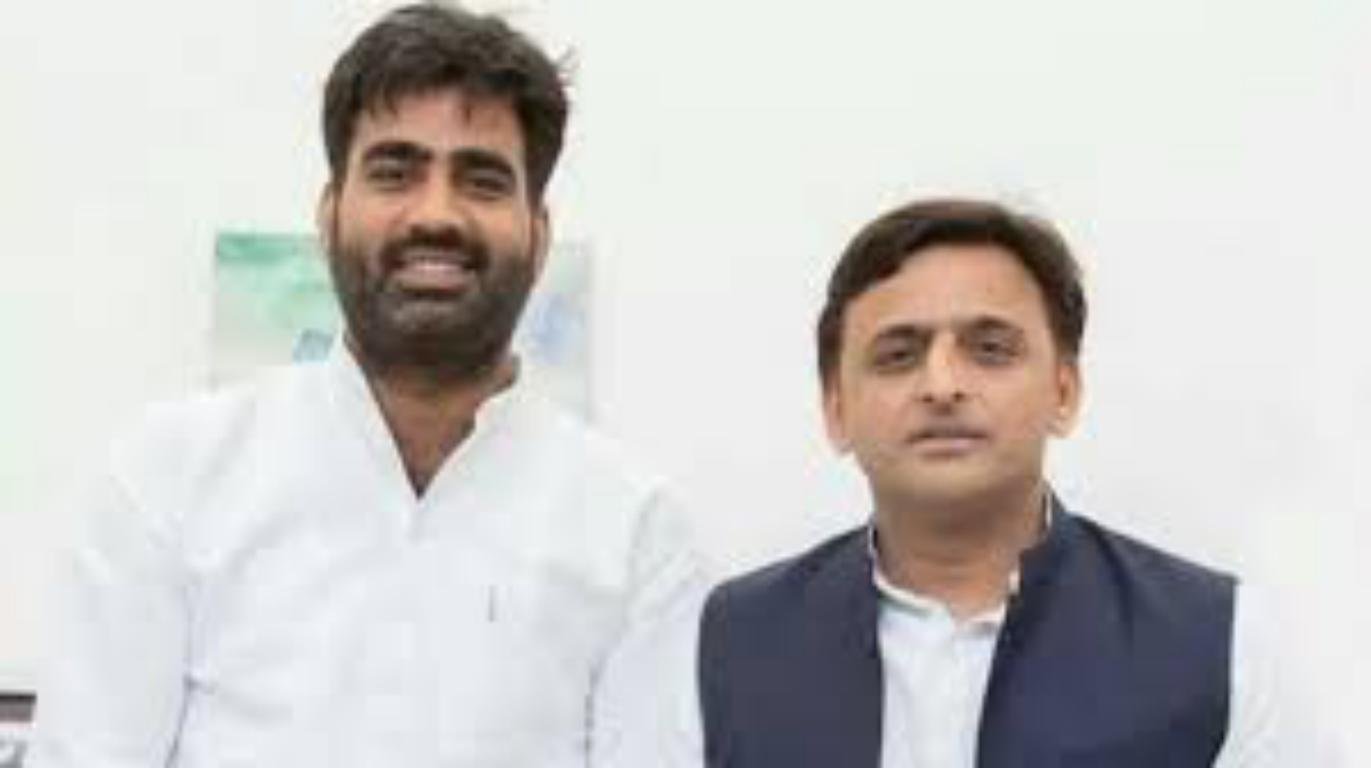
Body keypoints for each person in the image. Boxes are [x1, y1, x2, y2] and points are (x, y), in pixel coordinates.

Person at [29, 4, 703, 766]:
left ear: (538, 234)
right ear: (329, 216)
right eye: (394, 172)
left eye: (481, 180)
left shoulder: (635, 532)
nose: (435, 213)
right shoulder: (168, 480)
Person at [694, 199, 1314, 766]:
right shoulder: (726, 646)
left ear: (1064, 392)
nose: (942, 386)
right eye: (898, 356)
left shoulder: (1213, 642)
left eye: (989, 350)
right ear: (836, 410)